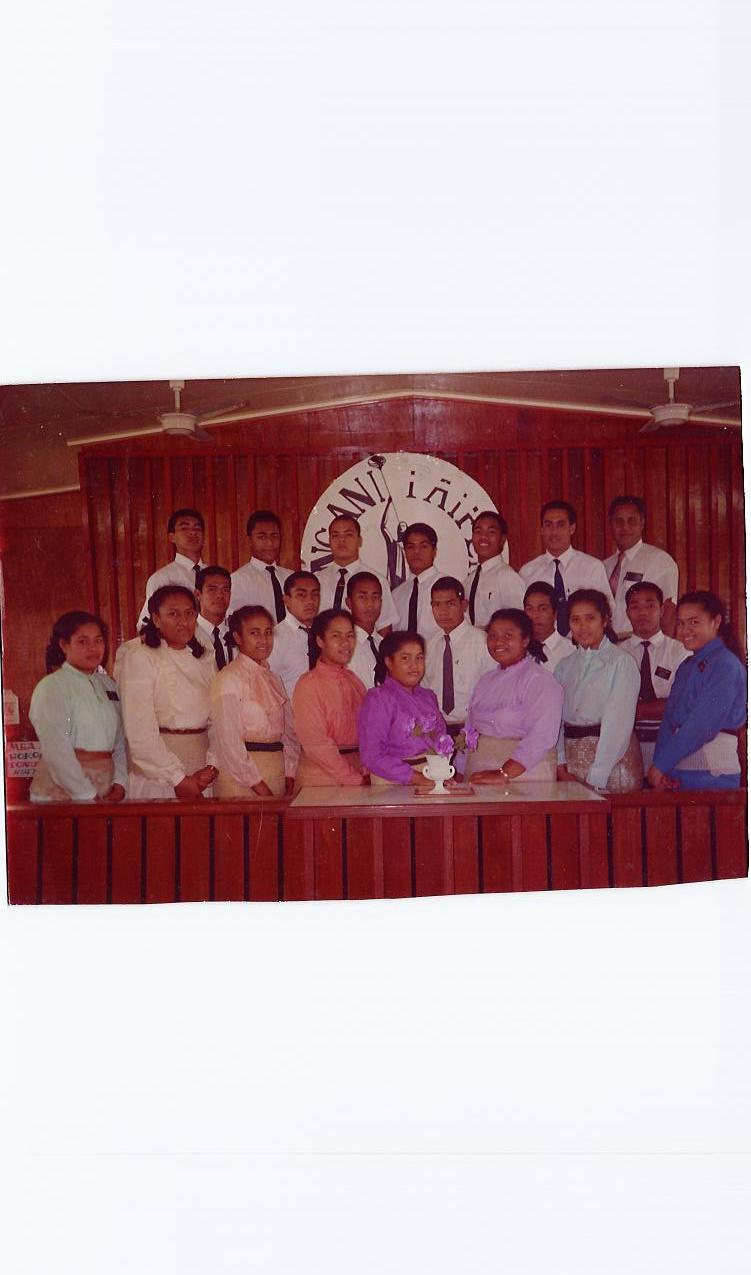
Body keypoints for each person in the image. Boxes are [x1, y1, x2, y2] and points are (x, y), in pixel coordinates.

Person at [119, 585, 218, 799]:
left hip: (202, 773)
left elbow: (218, 720)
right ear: (156, 618)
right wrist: (178, 779)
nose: (183, 621)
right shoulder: (139, 656)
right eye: (173, 614)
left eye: (189, 613)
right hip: (158, 775)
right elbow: (139, 730)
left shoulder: (204, 657)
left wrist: (212, 766)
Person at [648, 591, 746, 791]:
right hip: (676, 774)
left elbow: (702, 725)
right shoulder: (687, 666)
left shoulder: (725, 664)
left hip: (713, 776)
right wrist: (661, 767)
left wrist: (661, 765)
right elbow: (669, 720)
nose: (685, 630)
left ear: (716, 622)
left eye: (694, 622)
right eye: (681, 623)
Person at [29, 611, 128, 803]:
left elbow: (120, 744)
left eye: (98, 640)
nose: (93, 648)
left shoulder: (109, 685)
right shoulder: (52, 686)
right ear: (64, 645)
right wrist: (86, 795)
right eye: (83, 641)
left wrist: (120, 784)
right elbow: (56, 748)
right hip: (62, 791)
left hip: (106, 790)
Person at [554, 589, 643, 792]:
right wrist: (560, 765)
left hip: (612, 763)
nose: (582, 626)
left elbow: (618, 723)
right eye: (575, 619)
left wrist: (597, 776)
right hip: (571, 761)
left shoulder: (621, 662)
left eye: (590, 618)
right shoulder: (564, 666)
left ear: (605, 620)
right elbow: (555, 719)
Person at [461, 609, 563, 784]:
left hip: (525, 776)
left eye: (508, 635)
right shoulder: (485, 681)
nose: (498, 641)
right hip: (479, 775)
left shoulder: (540, 681)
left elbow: (541, 736)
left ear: (525, 640)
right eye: (492, 636)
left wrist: (504, 773)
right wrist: (458, 772)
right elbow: (469, 731)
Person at [209, 606, 298, 798]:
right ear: (238, 637)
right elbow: (229, 741)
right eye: (254, 633)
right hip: (240, 780)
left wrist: (290, 771)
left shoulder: (274, 679)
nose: (264, 640)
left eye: (268, 633)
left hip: (276, 773)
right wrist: (257, 785)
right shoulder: (228, 678)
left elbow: (289, 732)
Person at [358, 631, 448, 787]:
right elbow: (372, 756)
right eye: (405, 658)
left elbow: (441, 739)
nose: (414, 665)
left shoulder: (428, 696)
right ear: (389, 662)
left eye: (419, 658)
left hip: (432, 776)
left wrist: (441, 774)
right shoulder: (378, 699)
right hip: (393, 781)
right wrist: (418, 778)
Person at [292, 608, 367, 788]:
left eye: (350, 636)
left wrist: (365, 771)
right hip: (321, 778)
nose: (345, 643)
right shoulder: (308, 684)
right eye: (336, 636)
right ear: (320, 640)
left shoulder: (354, 681)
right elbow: (316, 744)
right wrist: (354, 779)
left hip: (357, 772)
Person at [620, 582, 691, 771]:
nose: (642, 612)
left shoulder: (681, 652)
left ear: (662, 610)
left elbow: (682, 703)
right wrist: (658, 706)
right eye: (635, 607)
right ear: (627, 613)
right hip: (626, 749)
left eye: (650, 605)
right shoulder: (615, 654)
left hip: (670, 747)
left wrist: (633, 710)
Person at [519, 501, 615, 637]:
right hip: (543, 648)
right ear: (541, 529)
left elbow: (607, 611)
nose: (554, 531)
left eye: (560, 524)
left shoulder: (592, 567)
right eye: (548, 525)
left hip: (583, 645)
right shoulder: (527, 572)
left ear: (572, 528)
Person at [423, 576, 494, 735]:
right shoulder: (428, 646)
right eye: (437, 605)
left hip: (474, 730)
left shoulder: (483, 643)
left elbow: (492, 691)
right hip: (436, 731)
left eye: (450, 604)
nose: (443, 612)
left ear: (464, 605)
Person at [603, 495, 679, 637]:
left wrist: (662, 652)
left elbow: (669, 612)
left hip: (641, 644)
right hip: (607, 648)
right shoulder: (604, 566)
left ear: (642, 522)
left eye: (631, 521)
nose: (624, 527)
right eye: (618, 521)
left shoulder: (659, 560)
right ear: (611, 524)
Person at [312, 514, 398, 634]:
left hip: (362, 651)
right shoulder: (316, 581)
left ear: (359, 540)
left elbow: (384, 629)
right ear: (329, 541)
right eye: (335, 535)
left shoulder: (377, 581)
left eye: (348, 534)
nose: (342, 540)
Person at [138, 508, 206, 627]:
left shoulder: (214, 575)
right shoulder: (162, 578)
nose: (192, 532)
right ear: (171, 537)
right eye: (184, 528)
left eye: (197, 528)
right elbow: (146, 624)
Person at [464, 510, 525, 628]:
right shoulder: (468, 581)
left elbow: (519, 622)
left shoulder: (508, 577)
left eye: (491, 532)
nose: (483, 537)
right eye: (478, 531)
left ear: (502, 539)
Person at [229, 510, 292, 624]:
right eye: (262, 537)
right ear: (249, 540)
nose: (269, 542)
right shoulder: (237, 580)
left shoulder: (291, 577)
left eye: (274, 536)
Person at [268, 569, 321, 698]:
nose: (310, 601)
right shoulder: (274, 638)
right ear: (286, 600)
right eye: (301, 595)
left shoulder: (326, 634)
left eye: (315, 594)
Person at [391, 522, 442, 639]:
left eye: (423, 546)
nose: (416, 552)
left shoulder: (448, 587)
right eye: (410, 547)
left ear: (434, 551)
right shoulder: (396, 594)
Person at [523, 581, 575, 672]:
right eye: (529, 609)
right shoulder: (519, 649)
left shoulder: (570, 652)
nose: (535, 615)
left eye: (543, 609)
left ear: (555, 613)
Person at [345, 571, 383, 689]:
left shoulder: (384, 644)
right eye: (362, 597)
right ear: (349, 602)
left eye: (375, 597)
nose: (370, 604)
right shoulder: (344, 647)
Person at [194, 565, 235, 667]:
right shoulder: (188, 635)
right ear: (198, 594)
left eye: (225, 590)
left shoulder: (238, 633)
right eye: (212, 589)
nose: (220, 595)